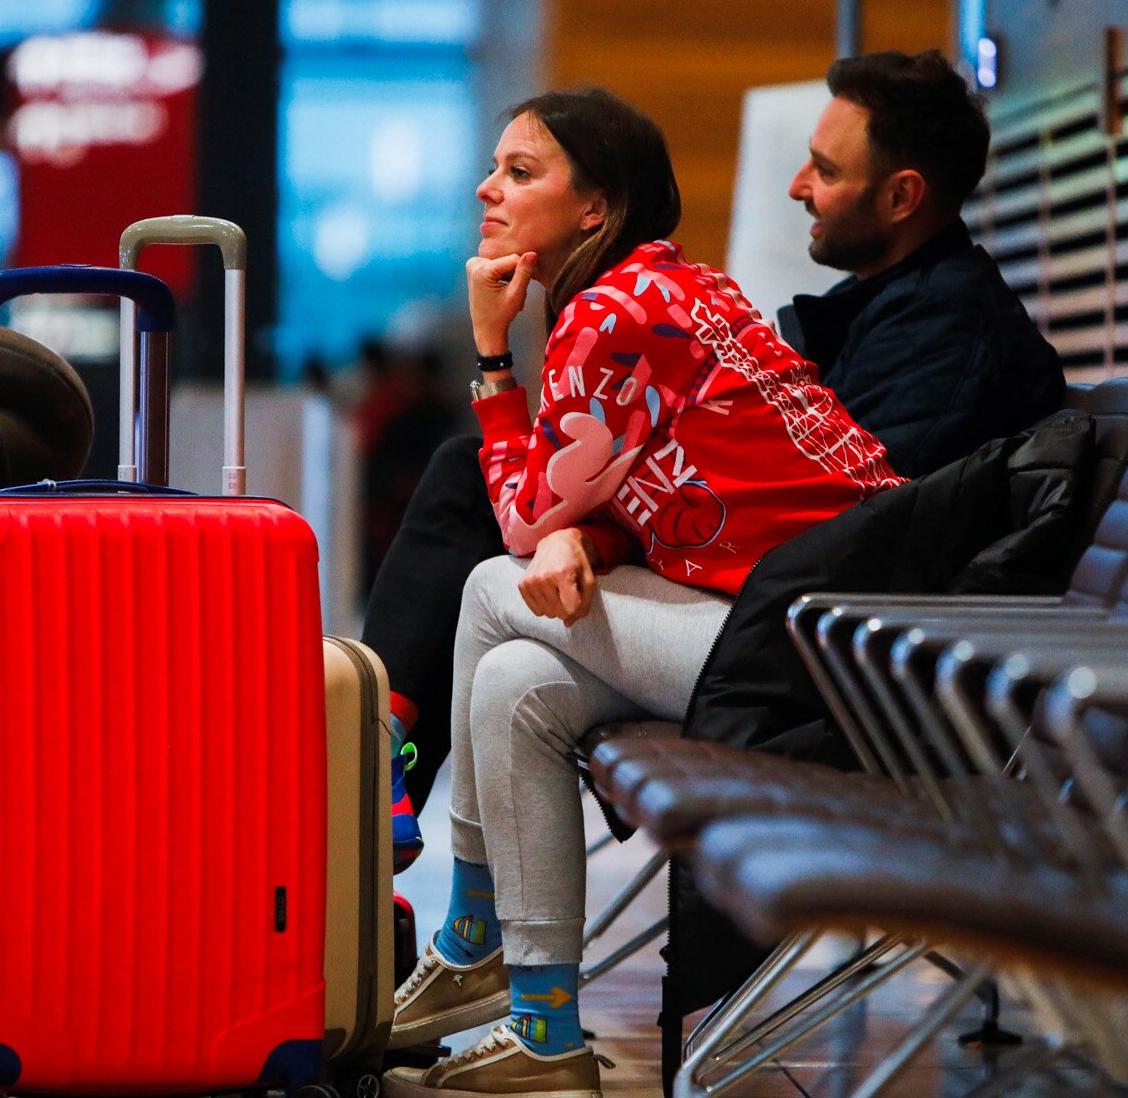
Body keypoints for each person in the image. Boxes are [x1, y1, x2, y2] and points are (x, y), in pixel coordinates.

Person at [365, 51, 1062, 859]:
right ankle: (512, 961)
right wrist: (588, 532)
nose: (797, 184)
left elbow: (836, 530)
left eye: (825, 169)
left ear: (903, 194)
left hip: (834, 659)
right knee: (515, 664)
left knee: (492, 575)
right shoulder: (853, 308)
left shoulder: (947, 339)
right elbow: (738, 486)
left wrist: (505, 382)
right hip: (775, 609)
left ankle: (375, 767)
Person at [380, 89, 904, 1098]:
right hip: (822, 633)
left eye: (521, 172)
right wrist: (589, 531)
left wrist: (492, 356)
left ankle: (471, 939)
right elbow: (663, 488)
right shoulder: (674, 289)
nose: (488, 188)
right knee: (522, 681)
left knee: (492, 586)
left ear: (594, 208)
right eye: (495, 168)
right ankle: (543, 1033)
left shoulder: (610, 315)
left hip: (815, 658)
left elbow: (521, 520)